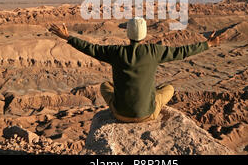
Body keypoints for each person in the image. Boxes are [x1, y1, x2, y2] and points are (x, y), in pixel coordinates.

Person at [49, 17, 221, 123]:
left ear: (128, 34)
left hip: (120, 114)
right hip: (149, 114)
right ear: (145, 34)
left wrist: (68, 37)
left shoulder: (116, 52)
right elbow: (182, 52)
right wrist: (208, 44)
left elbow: (90, 48)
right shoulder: (154, 51)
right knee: (169, 88)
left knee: (104, 86)